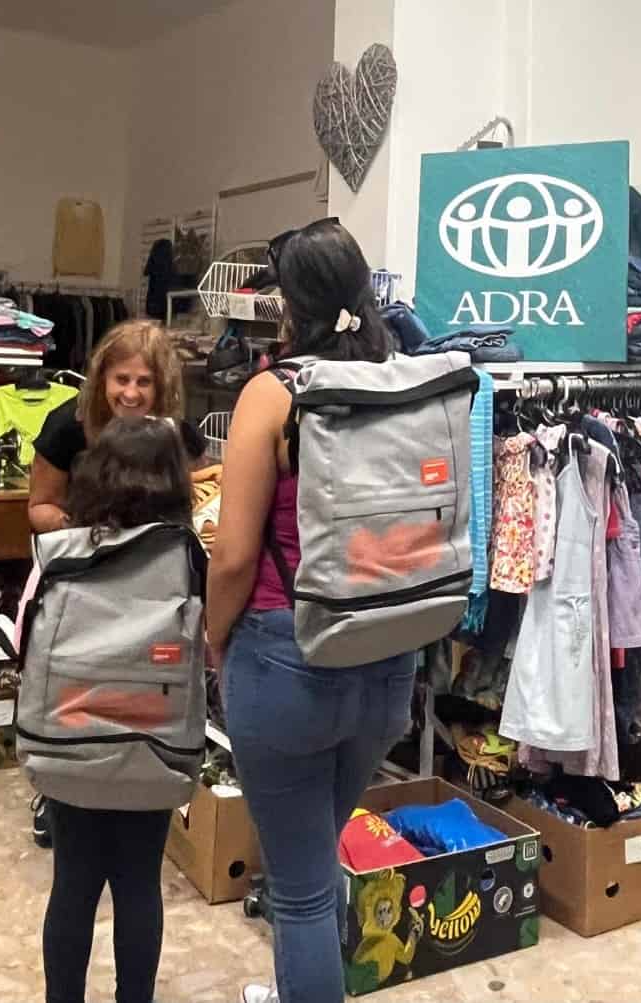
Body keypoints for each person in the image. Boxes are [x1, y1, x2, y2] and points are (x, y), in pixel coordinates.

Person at [206, 220, 418, 1003]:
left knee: (297, 890)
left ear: (288, 305)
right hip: (389, 654)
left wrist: (212, 639)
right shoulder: (405, 382)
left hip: (286, 651)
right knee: (315, 857)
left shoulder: (274, 393)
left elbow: (233, 555)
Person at [34, 415, 195, 1003]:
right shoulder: (186, 560)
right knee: (139, 884)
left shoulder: (57, 555)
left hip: (67, 742)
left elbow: (28, 638)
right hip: (155, 746)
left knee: (73, 885)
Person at [28, 321, 187, 534]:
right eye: (122, 380)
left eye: (144, 382)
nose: (130, 394)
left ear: (161, 385)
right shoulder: (65, 425)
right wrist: (85, 533)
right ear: (103, 377)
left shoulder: (174, 429)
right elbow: (39, 507)